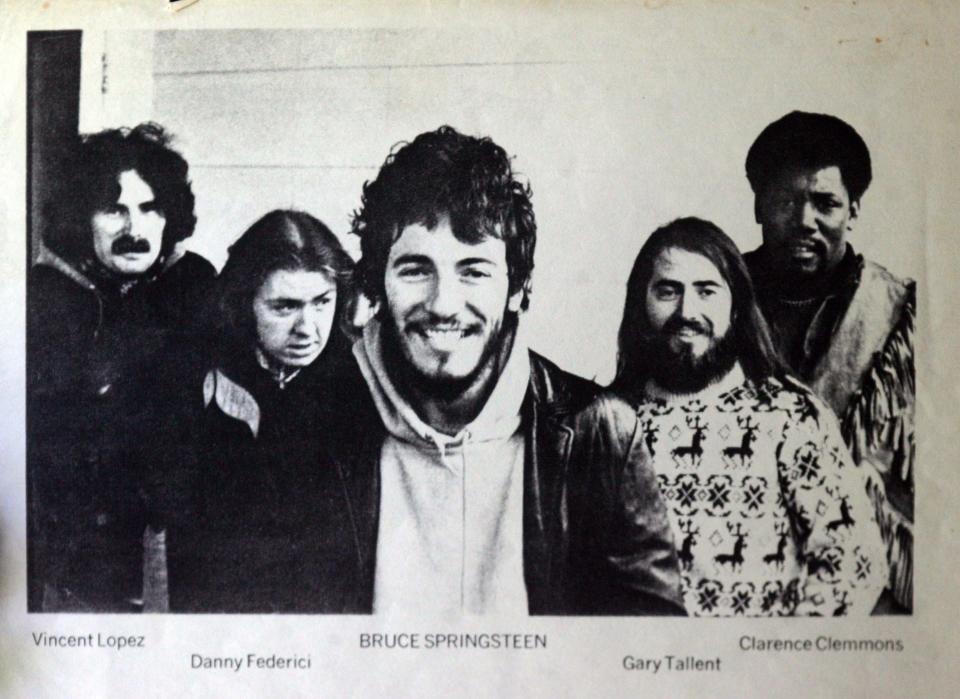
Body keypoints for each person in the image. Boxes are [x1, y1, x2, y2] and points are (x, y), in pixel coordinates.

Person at [341, 125, 683, 616]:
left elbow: (650, 648)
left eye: (474, 271)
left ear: (517, 288)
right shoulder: (306, 425)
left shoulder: (597, 431)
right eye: (416, 269)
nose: (443, 305)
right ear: (378, 283)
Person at [611, 217, 886, 616]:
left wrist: (774, 664)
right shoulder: (607, 421)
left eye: (706, 291)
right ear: (641, 303)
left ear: (736, 307)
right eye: (668, 291)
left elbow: (855, 564)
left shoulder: (789, 416)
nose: (687, 311)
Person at [27, 123, 215, 611]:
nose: (135, 230)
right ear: (80, 219)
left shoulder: (194, 289)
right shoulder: (46, 302)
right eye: (114, 210)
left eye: (150, 208)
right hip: (79, 569)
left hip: (183, 556)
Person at [743, 111, 915, 611]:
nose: (804, 221)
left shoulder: (902, 316)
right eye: (785, 201)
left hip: (873, 590)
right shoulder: (712, 302)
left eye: (825, 204)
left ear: (853, 210)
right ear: (758, 206)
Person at [162, 210, 366, 613]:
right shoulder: (196, 381)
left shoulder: (362, 382)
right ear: (244, 303)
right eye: (284, 307)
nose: (308, 328)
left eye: (322, 302)